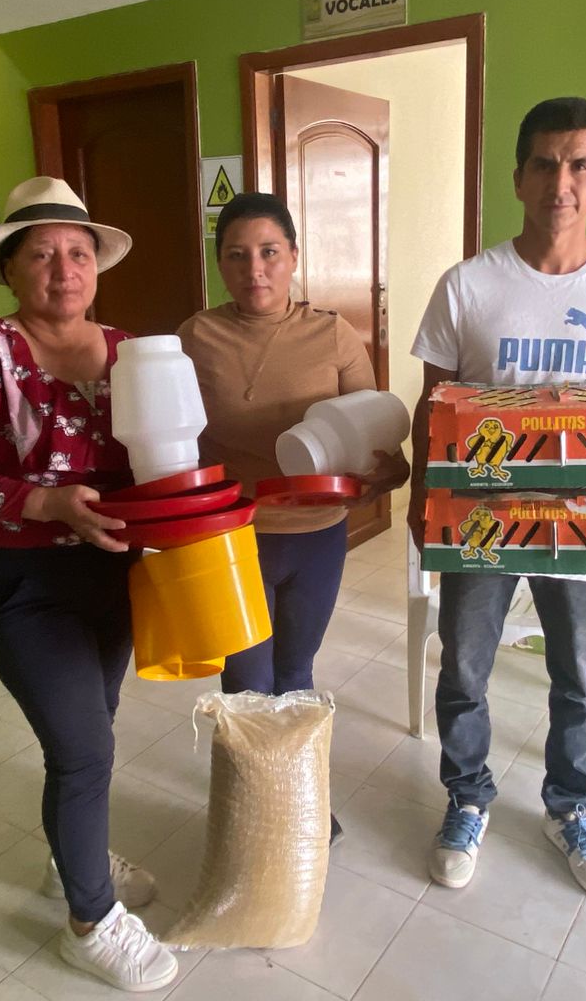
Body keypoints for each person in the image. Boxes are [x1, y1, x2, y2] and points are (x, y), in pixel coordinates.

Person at [408, 98, 586, 900]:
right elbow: (433, 405)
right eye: (542, 163)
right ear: (517, 177)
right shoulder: (468, 285)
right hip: (482, 518)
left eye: (577, 165)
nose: (558, 182)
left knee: (581, 678)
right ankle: (467, 798)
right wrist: (422, 501)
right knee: (464, 668)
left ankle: (570, 808)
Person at [0, 176, 177, 991]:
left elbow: (156, 453)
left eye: (77, 253)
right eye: (41, 255)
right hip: (25, 582)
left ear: (97, 265)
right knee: (83, 750)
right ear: (10, 269)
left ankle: (72, 862)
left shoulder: (129, 349)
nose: (63, 270)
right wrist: (46, 501)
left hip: (114, 576)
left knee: (90, 734)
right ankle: (90, 923)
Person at [177, 193, 409, 840]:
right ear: (220, 263)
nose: (255, 269)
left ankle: (300, 802)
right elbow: (173, 441)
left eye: (270, 252)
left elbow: (375, 435)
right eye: (237, 255)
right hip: (231, 536)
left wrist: (385, 474)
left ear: (294, 257)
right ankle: (253, 817)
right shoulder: (194, 338)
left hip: (316, 538)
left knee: (295, 675)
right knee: (247, 685)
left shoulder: (331, 334)